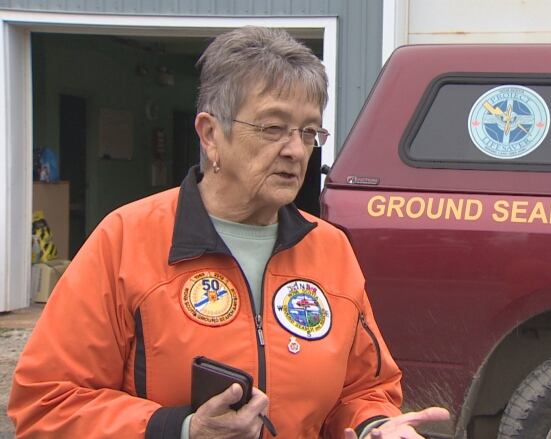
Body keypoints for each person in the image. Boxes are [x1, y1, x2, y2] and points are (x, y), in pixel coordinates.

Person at [8, 26, 448, 438]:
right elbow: (46, 402)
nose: (296, 150)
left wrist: (376, 425)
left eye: (309, 131)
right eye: (273, 128)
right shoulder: (126, 239)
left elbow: (363, 389)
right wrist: (179, 428)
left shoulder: (329, 248)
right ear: (211, 135)